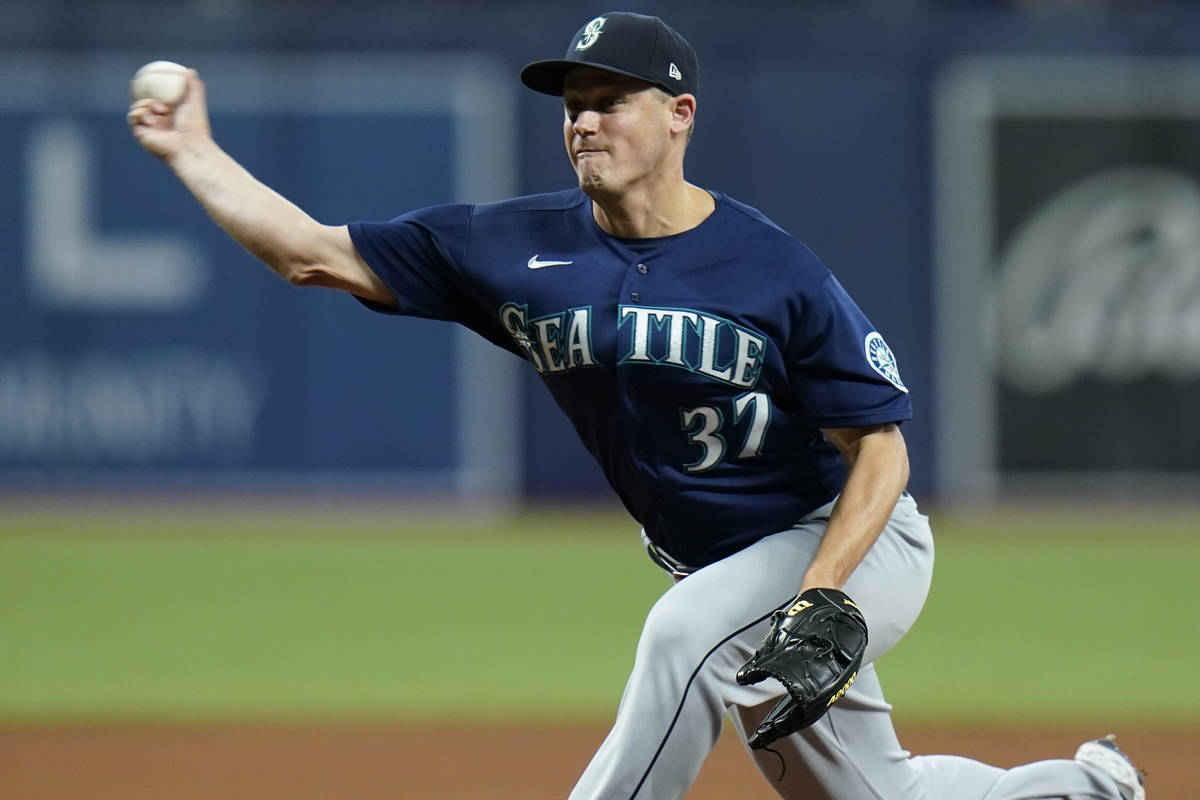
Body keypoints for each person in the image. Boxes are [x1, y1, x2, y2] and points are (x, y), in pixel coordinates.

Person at [127, 11, 1145, 800]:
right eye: (573, 99)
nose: (584, 117)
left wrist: (825, 594)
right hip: (734, 572)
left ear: (679, 114)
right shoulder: (508, 244)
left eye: (613, 97)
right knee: (874, 789)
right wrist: (190, 154)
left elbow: (877, 447)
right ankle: (1090, 785)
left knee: (681, 637)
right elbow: (312, 252)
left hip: (849, 545)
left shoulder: (767, 264)